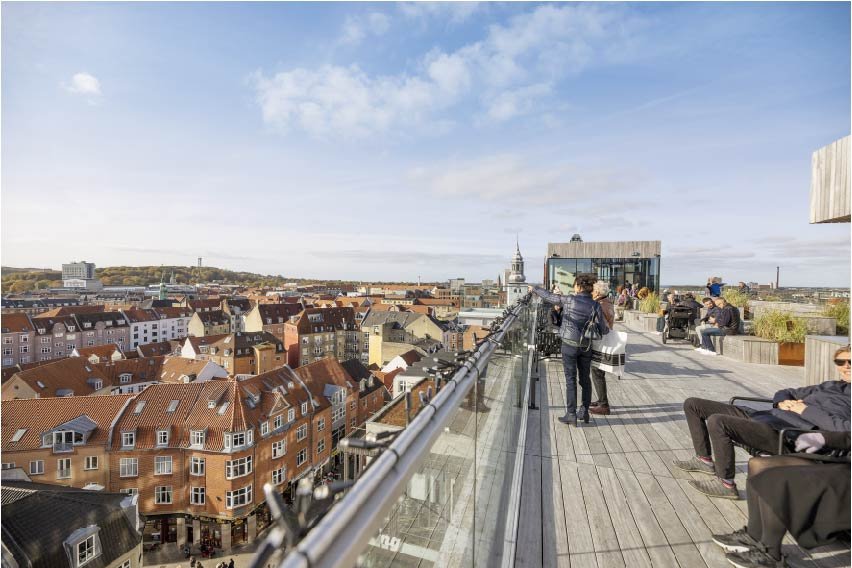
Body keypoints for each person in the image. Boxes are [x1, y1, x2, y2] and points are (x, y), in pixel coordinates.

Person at [673, 346, 851, 499]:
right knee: (693, 404)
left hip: (789, 433)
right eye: (840, 362)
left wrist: (804, 410)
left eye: (850, 361)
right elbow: (786, 391)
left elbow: (846, 429)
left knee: (718, 421)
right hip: (767, 415)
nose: (846, 366)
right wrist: (782, 402)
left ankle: (726, 484)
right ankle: (704, 460)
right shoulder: (828, 386)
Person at [711, 430, 850, 568]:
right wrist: (824, 437)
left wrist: (805, 412)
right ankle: (753, 536)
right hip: (842, 460)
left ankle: (770, 555)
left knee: (774, 480)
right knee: (758, 465)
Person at [529, 273, 610, 426]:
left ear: (578, 286)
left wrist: (534, 288)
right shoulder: (595, 305)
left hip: (569, 345)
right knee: (585, 379)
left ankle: (571, 414)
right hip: (586, 347)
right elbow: (603, 329)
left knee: (570, 380)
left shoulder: (570, 300)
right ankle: (584, 411)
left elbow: (550, 297)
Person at [590, 281, 615, 415]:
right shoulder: (608, 303)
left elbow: (600, 325)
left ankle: (604, 405)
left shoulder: (599, 305)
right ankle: (601, 400)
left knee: (597, 372)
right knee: (598, 372)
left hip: (600, 341)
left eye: (593, 291)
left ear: (598, 293)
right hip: (606, 340)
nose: (592, 293)